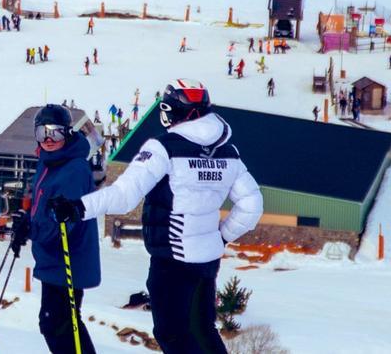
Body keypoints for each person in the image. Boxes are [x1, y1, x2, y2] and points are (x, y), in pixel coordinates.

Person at [48, 80, 263, 354]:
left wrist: (77, 207)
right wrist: (221, 237)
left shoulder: (165, 148)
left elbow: (124, 195)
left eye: (167, 108)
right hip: (207, 261)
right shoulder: (227, 152)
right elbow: (252, 204)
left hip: (172, 259)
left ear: (179, 112)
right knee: (203, 330)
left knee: (172, 334)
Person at [22, 104, 100, 353]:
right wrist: (27, 220)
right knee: (58, 321)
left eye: (54, 132)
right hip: (52, 258)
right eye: (41, 133)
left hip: (68, 257)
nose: (48, 139)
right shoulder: (49, 162)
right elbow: (42, 206)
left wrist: (31, 230)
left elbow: (63, 223)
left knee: (57, 322)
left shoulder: (73, 169)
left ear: (67, 133)